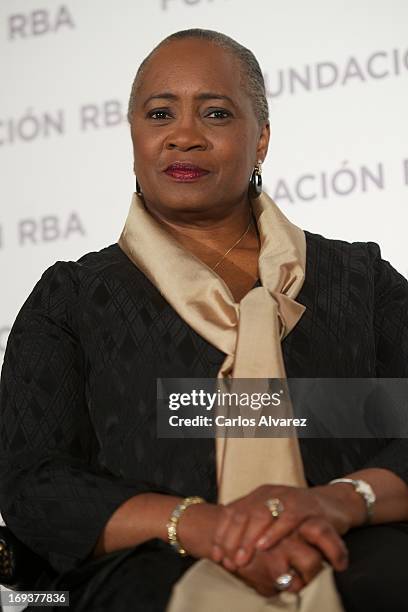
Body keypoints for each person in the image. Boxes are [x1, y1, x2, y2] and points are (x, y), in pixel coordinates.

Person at [0, 28, 407, 612]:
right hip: (152, 568)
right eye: (160, 113)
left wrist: (343, 501)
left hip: (357, 550)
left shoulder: (361, 281)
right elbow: (33, 481)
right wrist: (201, 526)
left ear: (261, 139)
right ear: (135, 136)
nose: (183, 136)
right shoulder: (72, 297)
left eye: (216, 114)